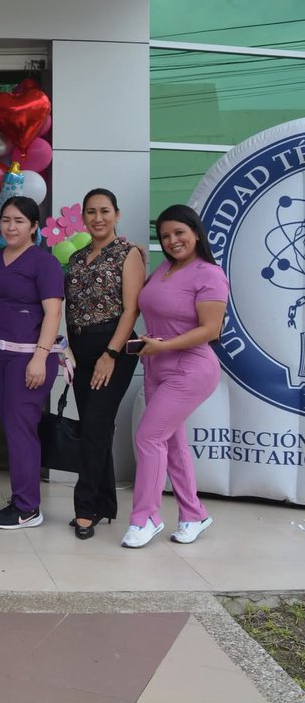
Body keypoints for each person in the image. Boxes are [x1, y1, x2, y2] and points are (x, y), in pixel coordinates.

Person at [122, 204, 227, 549]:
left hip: (191, 367)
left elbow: (211, 329)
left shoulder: (209, 274)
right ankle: (194, 513)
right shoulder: (165, 269)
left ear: (196, 233)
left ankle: (146, 517)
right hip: (156, 366)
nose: (172, 240)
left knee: (148, 437)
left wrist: (163, 347)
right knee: (170, 442)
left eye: (179, 233)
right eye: (165, 236)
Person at [0, 196, 65, 530]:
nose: (10, 226)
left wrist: (40, 358)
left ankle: (27, 508)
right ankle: (21, 498)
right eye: (6, 219)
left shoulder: (43, 263)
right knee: (12, 429)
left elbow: (54, 312)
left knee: (20, 431)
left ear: (33, 227)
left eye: (18, 221)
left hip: (29, 357)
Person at [64, 188, 143, 540]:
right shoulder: (77, 258)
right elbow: (71, 307)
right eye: (91, 212)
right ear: (83, 217)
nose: (98, 218)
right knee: (94, 427)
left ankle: (85, 509)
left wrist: (110, 354)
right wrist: (66, 347)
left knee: (94, 428)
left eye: (105, 211)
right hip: (80, 347)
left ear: (117, 214)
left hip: (112, 346)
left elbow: (131, 309)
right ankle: (105, 503)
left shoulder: (128, 254)